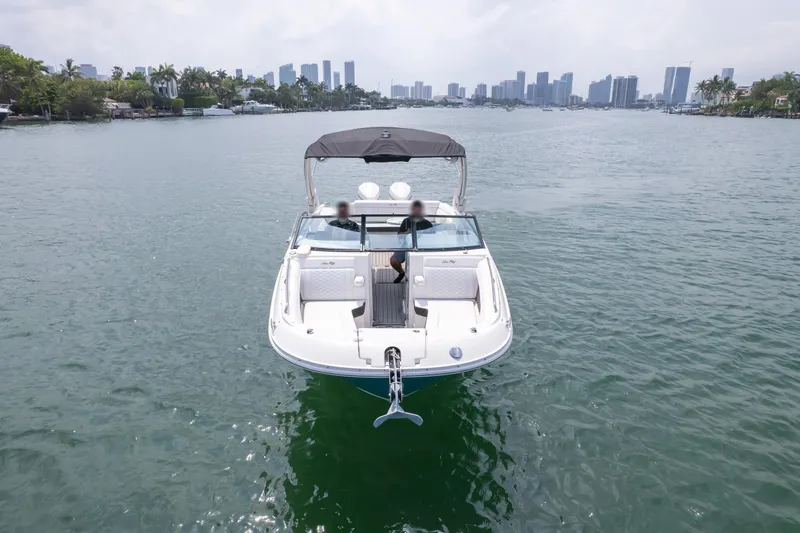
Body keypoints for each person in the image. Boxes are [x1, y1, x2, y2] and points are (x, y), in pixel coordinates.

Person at [390, 200, 433, 283]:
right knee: (393, 261)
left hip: (422, 248)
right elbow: (399, 236)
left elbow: (432, 238)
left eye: (418, 209)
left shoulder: (427, 224)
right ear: (412, 210)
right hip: (406, 246)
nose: (416, 211)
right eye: (414, 209)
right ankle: (402, 273)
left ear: (421, 210)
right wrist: (406, 233)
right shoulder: (406, 221)